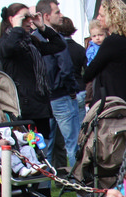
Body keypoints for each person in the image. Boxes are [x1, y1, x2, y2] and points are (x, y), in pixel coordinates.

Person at [0, 3, 64, 140]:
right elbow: (9, 48)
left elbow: (59, 45)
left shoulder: (30, 42)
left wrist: (42, 27)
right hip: (24, 106)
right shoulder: (6, 42)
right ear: (12, 19)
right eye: (25, 18)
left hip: (39, 103)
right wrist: (17, 27)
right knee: (29, 146)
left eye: (30, 17)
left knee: (43, 144)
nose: (29, 21)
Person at [35, 0, 80, 169]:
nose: (61, 16)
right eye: (57, 12)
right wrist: (71, 90)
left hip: (44, 99)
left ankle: (47, 179)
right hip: (60, 95)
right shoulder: (55, 39)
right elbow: (66, 68)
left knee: (46, 144)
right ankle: (78, 181)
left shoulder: (33, 39)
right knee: (73, 143)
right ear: (46, 16)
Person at [83, 0, 126, 110]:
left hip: (111, 103)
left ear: (111, 17)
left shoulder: (112, 41)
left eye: (101, 15)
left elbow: (91, 71)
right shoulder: (125, 40)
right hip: (123, 99)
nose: (98, 18)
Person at [0, 103, 46, 176]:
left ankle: (34, 166)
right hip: (2, 152)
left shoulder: (6, 128)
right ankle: (21, 170)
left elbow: (15, 135)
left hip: (16, 149)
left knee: (28, 148)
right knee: (9, 156)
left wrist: (24, 136)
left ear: (2, 120)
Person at [55, 17, 86, 117]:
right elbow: (87, 70)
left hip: (62, 92)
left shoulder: (56, 49)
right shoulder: (80, 49)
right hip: (80, 89)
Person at [83, 19, 104, 110]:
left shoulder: (107, 45)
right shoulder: (91, 48)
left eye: (100, 35)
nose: (97, 38)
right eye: (94, 36)